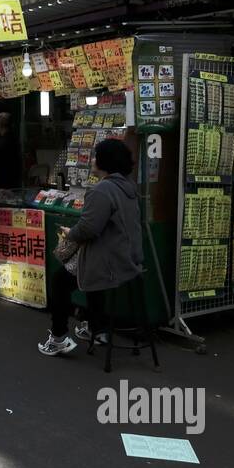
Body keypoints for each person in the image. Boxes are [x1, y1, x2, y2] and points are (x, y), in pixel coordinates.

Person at [40, 139, 144, 356]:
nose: (93, 160)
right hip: (127, 257)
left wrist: (70, 233)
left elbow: (88, 229)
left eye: (96, 156)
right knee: (89, 275)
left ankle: (58, 337)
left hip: (109, 260)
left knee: (61, 280)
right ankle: (97, 329)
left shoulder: (102, 189)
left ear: (106, 161)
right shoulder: (128, 186)